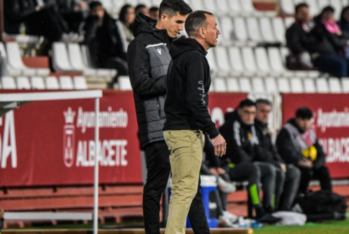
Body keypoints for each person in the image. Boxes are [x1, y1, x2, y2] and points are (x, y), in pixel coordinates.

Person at [127, 1, 193, 234]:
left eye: (183, 23)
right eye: (178, 22)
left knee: (186, 184)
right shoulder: (140, 44)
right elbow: (140, 85)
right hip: (156, 127)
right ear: (163, 17)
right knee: (156, 185)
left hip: (179, 125)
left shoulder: (177, 44)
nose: (181, 28)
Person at [163, 10, 226, 234]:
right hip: (185, 131)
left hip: (178, 129)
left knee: (191, 190)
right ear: (201, 31)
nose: (218, 31)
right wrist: (213, 132)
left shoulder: (183, 55)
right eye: (214, 27)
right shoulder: (194, 58)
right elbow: (195, 100)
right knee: (184, 191)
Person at [219, 99, 280, 223]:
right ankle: (258, 209)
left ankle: (269, 207)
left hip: (242, 164)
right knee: (253, 168)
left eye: (253, 113)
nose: (250, 116)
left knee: (270, 169)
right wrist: (247, 156)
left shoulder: (251, 127)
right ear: (239, 111)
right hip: (227, 166)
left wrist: (247, 156)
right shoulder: (232, 125)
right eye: (247, 112)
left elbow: (255, 150)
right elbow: (236, 153)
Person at [254, 99, 301, 211]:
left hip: (271, 163)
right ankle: (270, 207)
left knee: (294, 172)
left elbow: (273, 150)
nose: (266, 115)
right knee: (277, 172)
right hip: (259, 164)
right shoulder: (252, 129)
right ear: (255, 111)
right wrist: (276, 164)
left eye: (268, 112)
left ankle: (285, 208)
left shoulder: (266, 129)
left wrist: (280, 162)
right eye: (262, 111)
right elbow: (258, 152)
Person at [276, 107, 332, 194]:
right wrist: (302, 161)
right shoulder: (287, 131)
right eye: (303, 120)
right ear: (297, 119)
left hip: (309, 164)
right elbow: (286, 152)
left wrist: (313, 164)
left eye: (308, 120)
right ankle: (300, 195)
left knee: (324, 171)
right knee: (305, 172)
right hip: (293, 164)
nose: (306, 124)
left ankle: (329, 197)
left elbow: (321, 154)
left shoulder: (311, 133)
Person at [286, 3, 349, 77]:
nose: (305, 14)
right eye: (302, 12)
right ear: (296, 14)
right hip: (316, 56)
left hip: (331, 54)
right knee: (340, 65)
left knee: (347, 62)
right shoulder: (295, 29)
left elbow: (327, 34)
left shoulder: (313, 26)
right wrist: (307, 53)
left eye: (307, 12)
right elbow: (294, 44)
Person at [82, 1, 128, 87]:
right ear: (91, 12)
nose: (97, 13)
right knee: (123, 67)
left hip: (115, 55)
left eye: (99, 10)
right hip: (102, 58)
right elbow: (87, 40)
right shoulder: (88, 24)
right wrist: (94, 24)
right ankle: (115, 86)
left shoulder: (112, 23)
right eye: (94, 11)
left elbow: (120, 42)